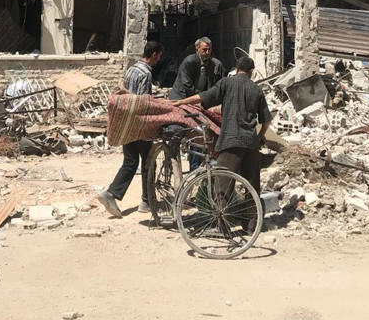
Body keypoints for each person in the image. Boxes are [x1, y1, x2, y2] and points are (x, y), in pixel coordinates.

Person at [171, 56, 271, 194]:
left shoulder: (226, 83)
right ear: (251, 71)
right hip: (250, 141)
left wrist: (181, 102)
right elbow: (266, 121)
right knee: (252, 186)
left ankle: (222, 215)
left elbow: (202, 97)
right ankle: (253, 215)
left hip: (230, 140)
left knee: (222, 187)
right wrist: (259, 137)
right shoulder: (257, 89)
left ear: (236, 69)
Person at [97, 40, 164, 218]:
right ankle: (146, 201)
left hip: (127, 123)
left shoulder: (131, 69)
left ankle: (110, 194)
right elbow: (142, 102)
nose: (159, 60)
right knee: (149, 162)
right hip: (139, 125)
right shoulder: (146, 74)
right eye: (159, 56)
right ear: (155, 54)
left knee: (130, 161)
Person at [168, 37, 224, 169]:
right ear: (197, 49)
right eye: (204, 49)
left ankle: (202, 163)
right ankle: (187, 163)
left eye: (210, 50)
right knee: (193, 129)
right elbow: (187, 85)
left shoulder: (214, 64)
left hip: (199, 100)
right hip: (182, 98)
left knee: (205, 130)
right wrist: (200, 99)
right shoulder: (189, 62)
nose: (207, 52)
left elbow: (214, 86)